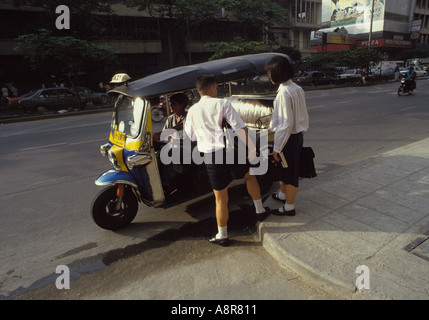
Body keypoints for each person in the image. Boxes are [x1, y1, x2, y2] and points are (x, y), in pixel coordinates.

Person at [184, 74, 270, 246]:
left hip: (211, 156)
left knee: (220, 198)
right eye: (216, 87)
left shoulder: (192, 111)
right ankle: (260, 210)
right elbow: (240, 128)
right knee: (249, 176)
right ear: (211, 88)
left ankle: (222, 235)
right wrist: (252, 150)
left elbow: (190, 135)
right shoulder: (222, 103)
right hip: (230, 151)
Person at [265, 55, 309, 216]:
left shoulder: (283, 93)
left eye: (270, 73)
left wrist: (277, 147)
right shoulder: (296, 88)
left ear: (277, 73)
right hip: (296, 137)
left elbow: (286, 124)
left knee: (289, 172)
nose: (268, 76)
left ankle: (289, 207)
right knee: (284, 168)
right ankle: (283, 195)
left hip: (287, 139)